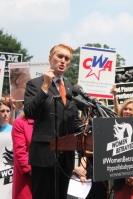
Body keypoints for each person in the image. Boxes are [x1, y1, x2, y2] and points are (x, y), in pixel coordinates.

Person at [24, 44, 82, 199]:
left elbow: (74, 121)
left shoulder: (71, 89)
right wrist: (45, 86)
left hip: (66, 158)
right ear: (50, 59)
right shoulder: (35, 84)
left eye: (67, 58)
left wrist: (88, 127)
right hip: (44, 156)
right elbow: (30, 112)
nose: (62, 61)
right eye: (59, 57)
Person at [12, 112, 33, 199]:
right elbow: (21, 154)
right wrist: (39, 176)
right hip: (27, 181)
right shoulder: (20, 122)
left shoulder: (50, 122)